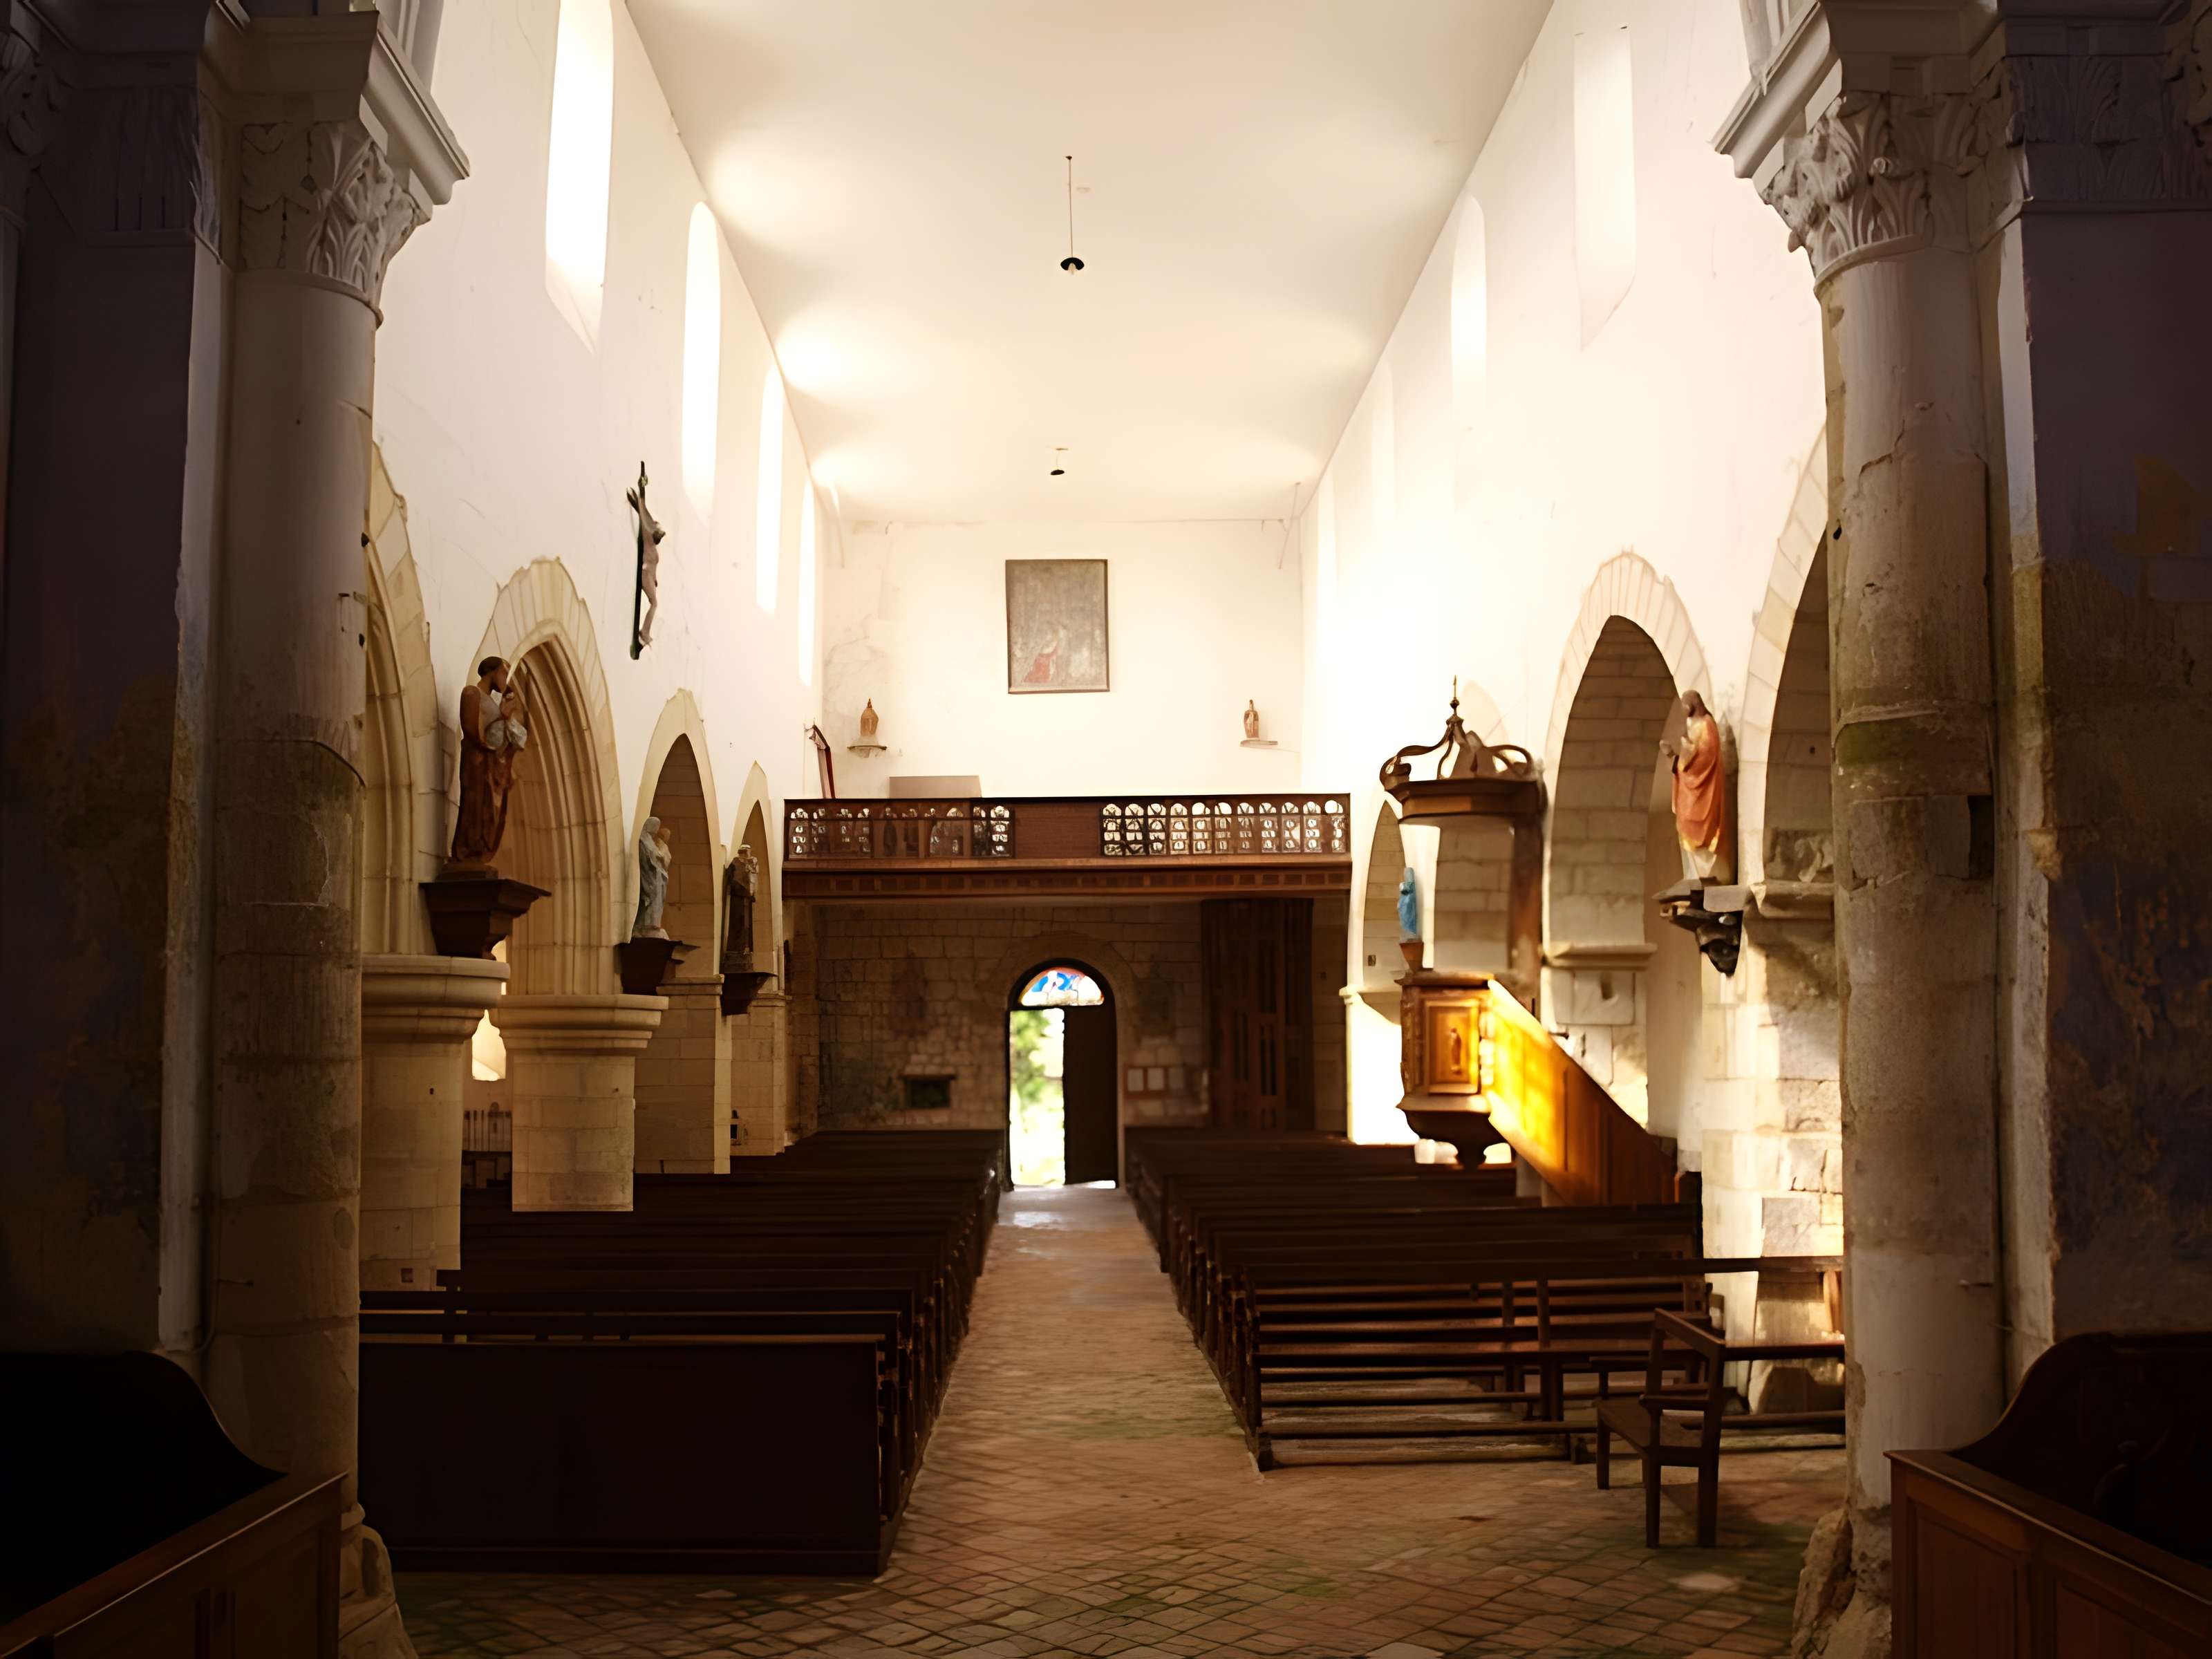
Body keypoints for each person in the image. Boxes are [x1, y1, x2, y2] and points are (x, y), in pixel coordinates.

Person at [449, 657, 529, 870]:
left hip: (491, 764)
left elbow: (498, 734)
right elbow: (472, 730)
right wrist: (502, 718)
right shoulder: (472, 693)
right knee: (475, 808)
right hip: (477, 762)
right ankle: (468, 852)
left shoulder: (493, 702)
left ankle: (479, 853)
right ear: (492, 671)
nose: (506, 680)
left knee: (491, 815)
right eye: (505, 673)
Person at [1660, 689, 1729, 881]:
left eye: (1685, 704)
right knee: (1685, 825)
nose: (1683, 709)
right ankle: (1695, 875)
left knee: (1703, 830)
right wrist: (1675, 757)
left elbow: (1706, 756)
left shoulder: (1707, 724)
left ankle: (1710, 875)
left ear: (1694, 703)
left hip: (1703, 788)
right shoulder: (1692, 723)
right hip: (1689, 788)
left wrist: (1680, 759)